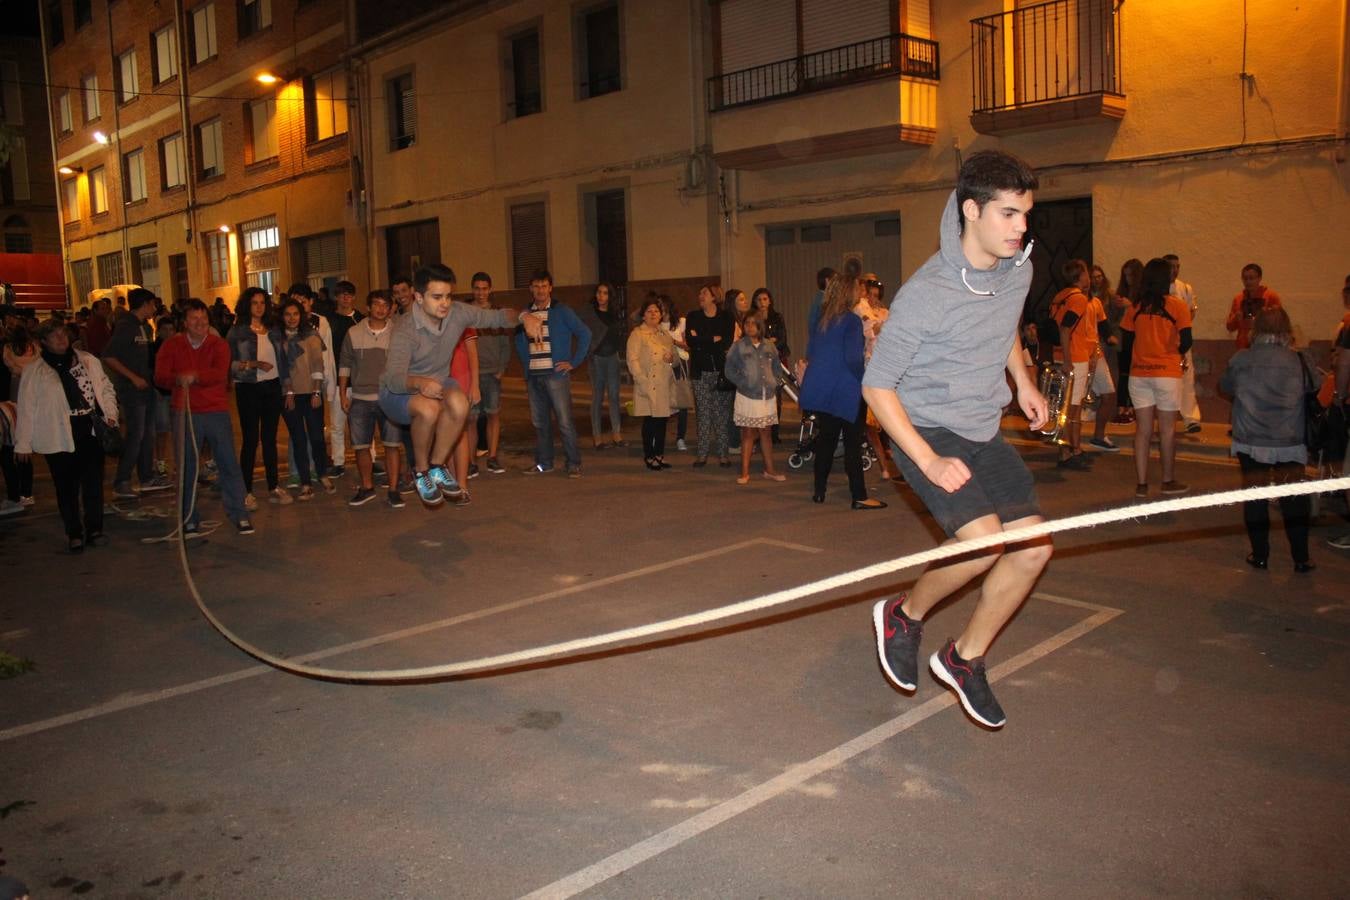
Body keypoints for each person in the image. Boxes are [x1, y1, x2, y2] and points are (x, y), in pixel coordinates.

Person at [864, 149, 1052, 730]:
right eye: (1009, 214)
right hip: (923, 427)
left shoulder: (1015, 266)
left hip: (981, 425)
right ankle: (903, 614)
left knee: (1034, 548)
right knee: (983, 545)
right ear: (971, 210)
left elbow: (1006, 327)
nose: (1022, 227)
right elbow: (876, 387)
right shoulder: (928, 292)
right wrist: (928, 459)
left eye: (1025, 214)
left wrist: (1021, 381)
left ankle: (963, 658)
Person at [381, 264, 540, 505]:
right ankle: (421, 471)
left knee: (460, 403)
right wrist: (419, 382)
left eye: (448, 296)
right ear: (419, 297)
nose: (445, 303)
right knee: (429, 408)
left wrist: (523, 316)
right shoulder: (405, 328)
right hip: (398, 391)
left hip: (439, 381)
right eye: (437, 297)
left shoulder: (456, 313)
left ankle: (437, 466)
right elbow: (393, 378)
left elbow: (496, 316)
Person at [1219, 308, 1315, 572]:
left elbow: (1225, 386)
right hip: (1289, 439)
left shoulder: (1242, 358)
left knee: (1256, 498)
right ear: (1287, 330)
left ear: (1256, 329)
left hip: (1250, 438)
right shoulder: (1299, 359)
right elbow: (1315, 386)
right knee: (1293, 500)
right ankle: (1301, 558)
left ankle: (1260, 555)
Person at [14, 319, 118, 551]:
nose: (61, 339)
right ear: (43, 342)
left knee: (92, 483)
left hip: (89, 429)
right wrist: (23, 443)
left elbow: (106, 388)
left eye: (63, 334)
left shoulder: (88, 361)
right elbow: (26, 407)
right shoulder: (35, 371)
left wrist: (110, 414)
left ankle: (95, 528)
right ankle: (74, 531)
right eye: (55, 336)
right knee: (65, 486)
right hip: (57, 432)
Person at [155, 300, 253, 536]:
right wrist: (177, 379)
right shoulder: (171, 345)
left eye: (204, 320)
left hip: (215, 411)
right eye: (194, 319)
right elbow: (160, 377)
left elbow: (219, 374)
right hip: (185, 411)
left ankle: (239, 513)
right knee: (187, 466)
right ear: (185, 322)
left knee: (228, 462)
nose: (200, 324)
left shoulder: (218, 345)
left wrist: (195, 376)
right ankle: (188, 518)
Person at [800, 271, 879, 508]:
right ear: (848, 292)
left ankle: (819, 491)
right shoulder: (851, 321)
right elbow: (853, 359)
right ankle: (859, 496)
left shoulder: (823, 319)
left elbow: (812, 352)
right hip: (847, 390)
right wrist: (866, 379)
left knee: (827, 441)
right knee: (853, 444)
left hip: (824, 389)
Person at [1122, 258, 1193, 498]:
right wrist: (1175, 350)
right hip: (1167, 372)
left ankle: (1141, 483)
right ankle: (1167, 480)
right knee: (1167, 431)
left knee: (1142, 431)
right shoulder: (1177, 306)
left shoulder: (1136, 307)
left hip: (1139, 373)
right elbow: (1187, 340)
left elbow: (1127, 341)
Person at [513, 269, 590, 477]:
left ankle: (573, 463)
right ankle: (544, 462)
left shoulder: (561, 311)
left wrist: (573, 362)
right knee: (540, 423)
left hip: (556, 374)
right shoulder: (525, 315)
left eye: (544, 286)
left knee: (564, 421)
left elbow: (585, 333)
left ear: (550, 288)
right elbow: (518, 341)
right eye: (536, 286)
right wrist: (527, 365)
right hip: (534, 376)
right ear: (530, 288)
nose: (540, 290)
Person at [102, 288, 171, 499]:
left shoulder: (143, 326)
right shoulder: (126, 326)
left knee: (147, 434)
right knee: (136, 435)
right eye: (153, 304)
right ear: (146, 304)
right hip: (132, 391)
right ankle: (122, 480)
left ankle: (147, 477)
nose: (155, 308)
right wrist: (133, 377)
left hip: (146, 388)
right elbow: (109, 356)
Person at [339, 290, 402, 508]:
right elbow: (345, 364)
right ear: (367, 307)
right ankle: (367, 487)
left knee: (392, 445)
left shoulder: (399, 333)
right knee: (360, 446)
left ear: (390, 308)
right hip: (360, 398)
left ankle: (394, 490)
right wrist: (342, 394)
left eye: (386, 305)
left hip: (390, 397)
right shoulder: (353, 332)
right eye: (376, 304)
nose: (381, 309)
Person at [227, 287, 289, 508]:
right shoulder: (237, 332)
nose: (259, 307)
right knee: (251, 439)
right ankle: (246, 490)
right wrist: (252, 364)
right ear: (247, 305)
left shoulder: (273, 329)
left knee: (270, 439)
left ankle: (273, 486)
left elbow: (284, 358)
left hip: (272, 387)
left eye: (263, 302)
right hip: (248, 387)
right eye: (255, 303)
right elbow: (229, 364)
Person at [277, 298, 333, 501]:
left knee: (317, 437)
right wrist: (289, 392)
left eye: (295, 314)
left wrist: (317, 392)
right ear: (282, 317)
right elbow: (281, 369)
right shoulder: (278, 338)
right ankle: (305, 482)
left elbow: (318, 364)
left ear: (301, 315)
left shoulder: (310, 334)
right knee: (298, 440)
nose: (291, 318)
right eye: (287, 314)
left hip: (311, 394)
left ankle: (323, 474)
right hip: (289, 395)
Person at [724, 312, 785, 484]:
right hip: (748, 395)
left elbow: (777, 368)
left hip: (767, 395)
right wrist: (743, 383)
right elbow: (729, 370)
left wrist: (775, 382)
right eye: (747, 323)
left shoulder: (769, 346)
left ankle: (770, 470)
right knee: (748, 433)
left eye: (753, 323)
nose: (750, 326)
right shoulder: (738, 346)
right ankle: (744, 472)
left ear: (760, 325)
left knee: (766, 433)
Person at [685, 284, 735, 467]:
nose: (700, 295)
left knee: (721, 414)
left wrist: (701, 340)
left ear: (714, 296)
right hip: (700, 372)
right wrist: (712, 339)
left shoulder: (726, 317)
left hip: (721, 372)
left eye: (704, 292)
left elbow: (726, 342)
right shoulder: (693, 316)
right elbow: (691, 341)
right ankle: (702, 455)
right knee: (703, 414)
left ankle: (723, 455)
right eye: (700, 293)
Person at [626, 296, 677, 470]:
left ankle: (659, 454)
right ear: (643, 315)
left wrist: (671, 359)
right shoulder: (637, 334)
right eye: (649, 311)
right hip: (647, 383)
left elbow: (674, 360)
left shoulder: (665, 335)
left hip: (663, 384)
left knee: (662, 421)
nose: (653, 314)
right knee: (650, 421)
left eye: (656, 311)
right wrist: (641, 379)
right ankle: (649, 455)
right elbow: (632, 360)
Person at [469, 272, 510, 475]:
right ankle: (471, 462)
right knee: (471, 419)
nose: (480, 292)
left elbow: (504, 343)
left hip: (492, 374)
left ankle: (492, 457)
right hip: (471, 376)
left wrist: (502, 368)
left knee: (493, 414)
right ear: (472, 290)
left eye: (484, 288)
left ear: (490, 290)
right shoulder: (466, 314)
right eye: (477, 288)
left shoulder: (497, 314)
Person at [326, 280, 364, 476]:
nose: (346, 298)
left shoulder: (361, 319)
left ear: (354, 297)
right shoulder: (328, 321)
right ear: (336, 297)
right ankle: (338, 462)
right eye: (342, 295)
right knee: (337, 424)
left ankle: (370, 459)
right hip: (337, 379)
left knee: (362, 424)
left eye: (349, 294)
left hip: (360, 381)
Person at [1165, 254, 1202, 433]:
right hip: (1164, 343)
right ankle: (1167, 417)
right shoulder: (1158, 288)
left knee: (1187, 378)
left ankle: (1191, 418)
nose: (1175, 270)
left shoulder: (1185, 289)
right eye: (1171, 266)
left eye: (1177, 266)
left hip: (1181, 339)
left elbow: (1190, 312)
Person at [3, 317, 38, 508]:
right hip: (32, 391)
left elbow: (10, 366)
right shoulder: (34, 347)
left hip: (14, 396)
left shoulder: (8, 349)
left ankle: (17, 494)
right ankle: (26, 491)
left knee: (12, 445)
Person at [587, 282, 626, 450]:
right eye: (599, 292)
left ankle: (616, 434)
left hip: (612, 357)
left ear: (610, 296)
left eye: (605, 293)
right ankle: (597, 438)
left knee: (614, 396)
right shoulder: (590, 313)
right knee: (597, 397)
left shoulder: (614, 314)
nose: (601, 296)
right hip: (597, 358)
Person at [1225, 263, 1282, 350]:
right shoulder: (1238, 299)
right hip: (1243, 346)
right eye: (1245, 278)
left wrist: (1265, 316)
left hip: (1265, 345)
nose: (1248, 282)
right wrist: (1236, 317)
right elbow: (1229, 327)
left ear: (1259, 278)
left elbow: (1280, 322)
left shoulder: (1271, 296)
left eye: (1251, 278)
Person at [661, 296, 692, 451]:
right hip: (663, 366)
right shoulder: (655, 326)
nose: (659, 308)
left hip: (680, 364)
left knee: (682, 402)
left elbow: (688, 346)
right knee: (663, 402)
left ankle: (681, 437)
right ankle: (659, 436)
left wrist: (673, 342)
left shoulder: (681, 322)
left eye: (662, 305)